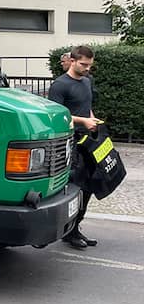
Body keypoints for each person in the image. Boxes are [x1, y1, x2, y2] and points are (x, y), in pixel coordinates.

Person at [48, 45, 100, 249]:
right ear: (72, 61)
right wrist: (83, 121)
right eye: (83, 64)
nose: (87, 68)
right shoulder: (60, 85)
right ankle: (69, 232)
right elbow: (57, 115)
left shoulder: (87, 81)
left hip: (88, 140)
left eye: (89, 65)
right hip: (70, 143)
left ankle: (76, 227)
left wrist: (92, 118)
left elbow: (87, 105)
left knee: (87, 187)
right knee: (75, 187)